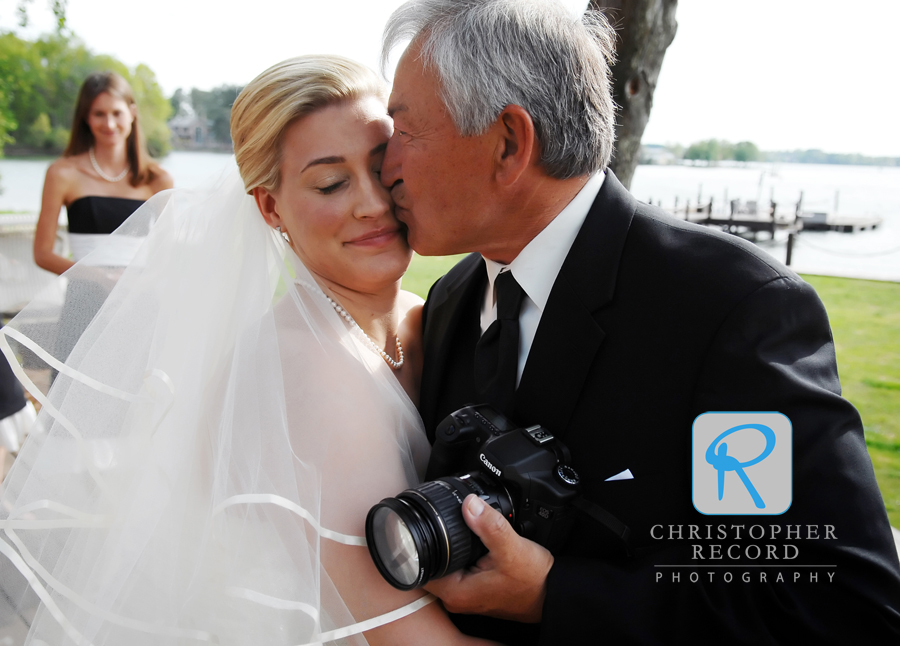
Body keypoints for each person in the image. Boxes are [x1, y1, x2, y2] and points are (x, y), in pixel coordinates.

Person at [379, 0, 900, 643]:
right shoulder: (452, 301)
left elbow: (839, 604)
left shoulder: (728, 311)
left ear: (509, 143)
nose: (385, 164)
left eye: (404, 129)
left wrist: (557, 596)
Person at [0, 56, 495, 646]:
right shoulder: (305, 367)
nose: (372, 202)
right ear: (270, 208)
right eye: (331, 182)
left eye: (384, 166)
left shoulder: (430, 316)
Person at [33, 71, 173, 275]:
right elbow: (42, 254)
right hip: (85, 298)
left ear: (132, 113)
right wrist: (98, 277)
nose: (109, 124)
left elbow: (167, 252)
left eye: (117, 113)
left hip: (139, 299)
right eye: (99, 114)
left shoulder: (158, 179)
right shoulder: (62, 173)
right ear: (86, 118)